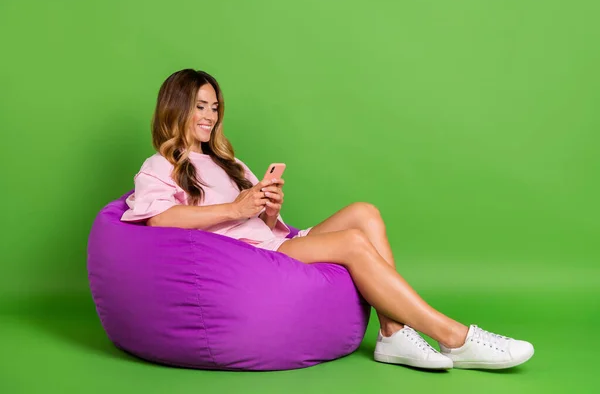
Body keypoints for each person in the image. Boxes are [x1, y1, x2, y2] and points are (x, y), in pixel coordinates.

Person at [122, 69, 534, 371]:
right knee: (353, 242)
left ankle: (391, 332)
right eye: (200, 106)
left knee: (364, 213)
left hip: (268, 242)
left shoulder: (229, 162)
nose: (210, 116)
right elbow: (159, 221)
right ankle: (455, 337)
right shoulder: (160, 166)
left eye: (214, 107)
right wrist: (235, 209)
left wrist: (268, 208)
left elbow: (261, 225)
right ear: (176, 107)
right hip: (253, 259)